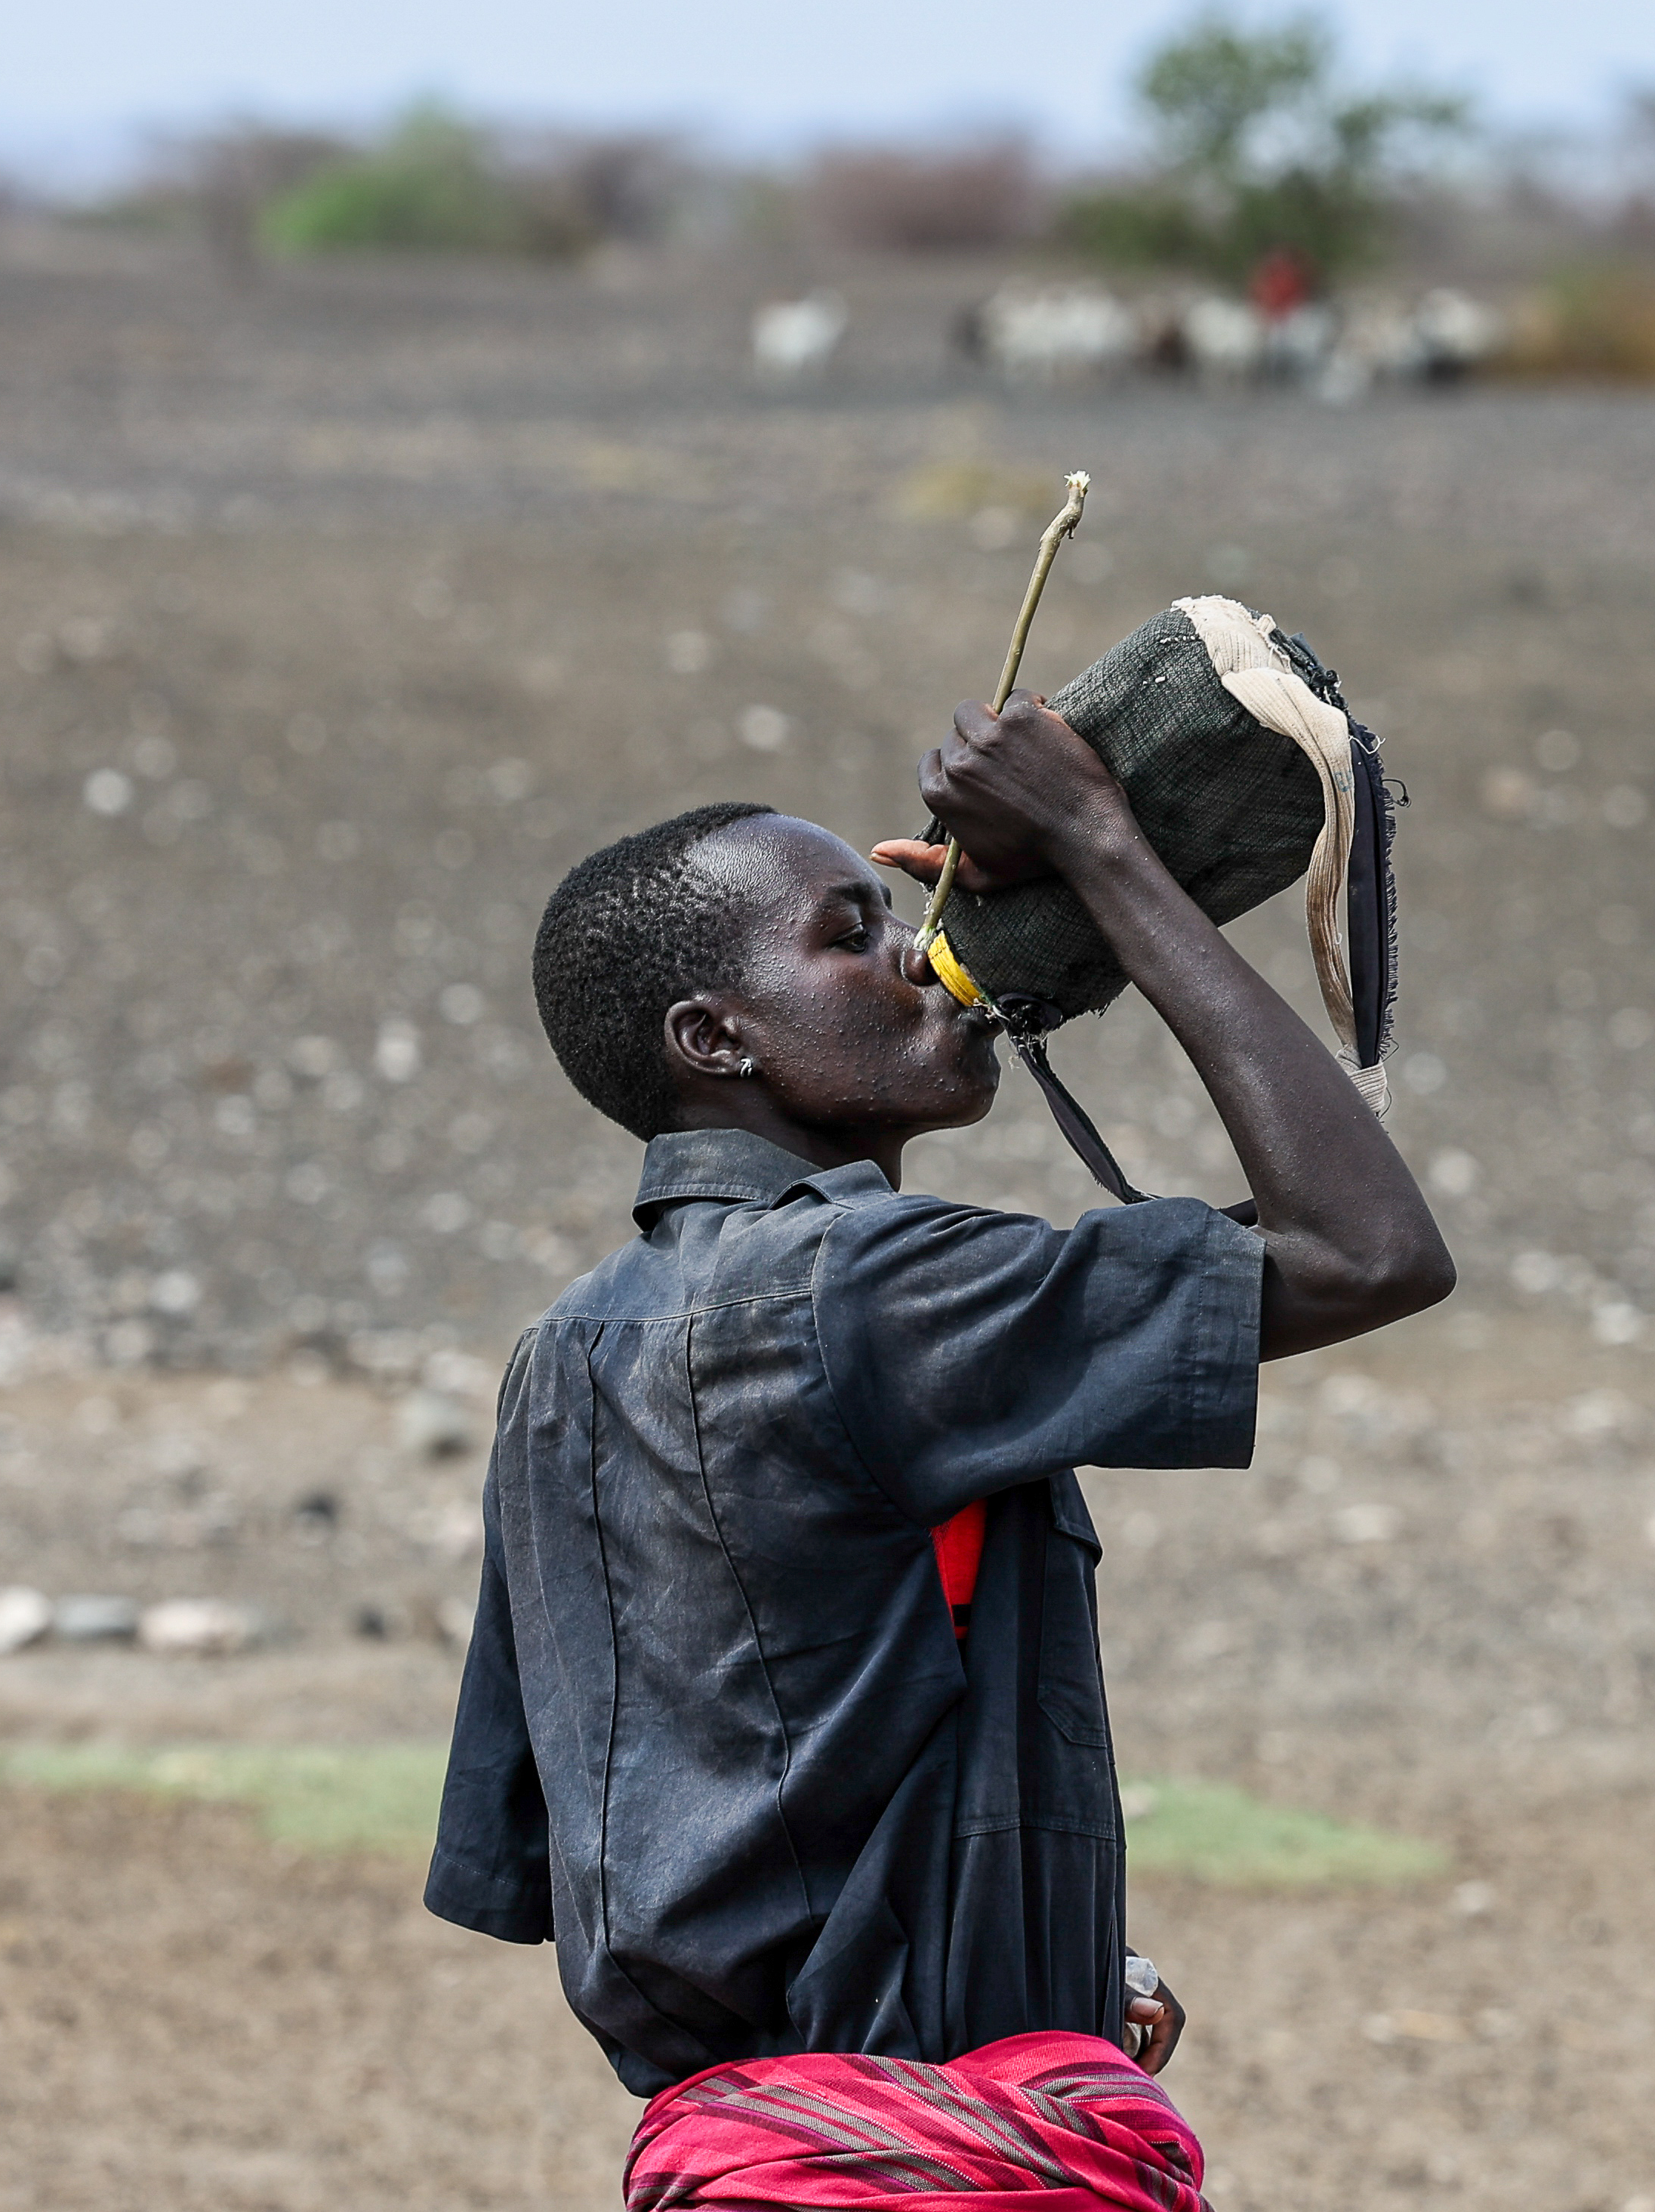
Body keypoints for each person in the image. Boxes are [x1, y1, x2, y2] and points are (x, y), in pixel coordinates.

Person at [430, 695, 1453, 2206]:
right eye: (852, 934)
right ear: (717, 1037)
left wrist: (1040, 1965)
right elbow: (1366, 1246)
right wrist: (1104, 848)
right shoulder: (877, 1285)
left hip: (743, 2164)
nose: (920, 949)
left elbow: (614, 1838)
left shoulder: (560, 1357)